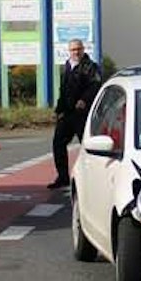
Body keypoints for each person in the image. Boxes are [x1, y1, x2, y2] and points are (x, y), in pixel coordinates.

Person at [49, 39, 102, 189]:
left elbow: (95, 85)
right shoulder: (67, 66)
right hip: (67, 113)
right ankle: (63, 177)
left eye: (78, 49)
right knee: (58, 143)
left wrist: (84, 100)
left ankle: (93, 178)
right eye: (73, 50)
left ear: (83, 49)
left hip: (82, 114)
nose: (76, 52)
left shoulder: (91, 67)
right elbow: (63, 90)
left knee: (87, 145)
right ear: (69, 51)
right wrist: (58, 111)